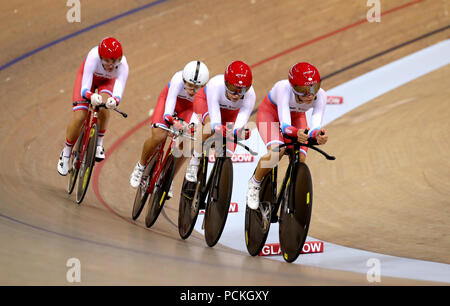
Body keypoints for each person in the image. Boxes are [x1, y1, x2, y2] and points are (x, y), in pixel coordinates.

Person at [246, 62, 329, 210]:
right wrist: (298, 133)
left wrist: (319, 135)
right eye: (304, 90)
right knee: (277, 151)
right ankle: (255, 183)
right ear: (294, 87)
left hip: (296, 117)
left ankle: (290, 191)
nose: (310, 94)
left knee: (301, 158)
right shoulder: (283, 88)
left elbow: (316, 124)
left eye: (313, 88)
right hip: (270, 115)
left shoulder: (321, 95)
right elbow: (285, 126)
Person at [129, 60, 210, 197]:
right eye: (189, 85)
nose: (192, 90)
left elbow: (199, 114)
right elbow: (169, 106)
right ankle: (141, 165)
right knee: (159, 136)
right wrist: (172, 120)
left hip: (189, 110)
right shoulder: (177, 79)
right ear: (184, 80)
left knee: (186, 143)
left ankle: (168, 178)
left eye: (197, 87)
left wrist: (191, 127)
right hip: (169, 103)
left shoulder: (207, 92)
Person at [57, 37, 129, 176]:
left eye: (114, 61)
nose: (111, 65)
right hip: (88, 80)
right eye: (107, 61)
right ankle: (65, 153)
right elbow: (84, 88)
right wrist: (90, 96)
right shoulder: (93, 56)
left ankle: (99, 144)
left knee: (104, 106)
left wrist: (114, 100)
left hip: (107, 82)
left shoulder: (123, 65)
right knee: (80, 117)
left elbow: (119, 88)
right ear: (100, 57)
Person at [185, 60, 255, 183]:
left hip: (229, 114)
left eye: (242, 90)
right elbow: (215, 122)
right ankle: (194, 161)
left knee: (228, 150)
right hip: (205, 104)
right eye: (232, 88)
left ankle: (215, 181)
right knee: (209, 127)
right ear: (226, 83)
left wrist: (239, 132)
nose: (236, 95)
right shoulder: (215, 84)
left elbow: (239, 125)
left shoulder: (251, 95)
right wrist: (219, 128)